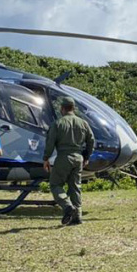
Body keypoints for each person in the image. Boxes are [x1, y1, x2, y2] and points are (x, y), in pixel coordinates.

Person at [43, 96, 95, 226]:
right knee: (75, 187)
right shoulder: (83, 123)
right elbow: (91, 140)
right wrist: (87, 156)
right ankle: (77, 216)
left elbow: (50, 143)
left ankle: (67, 207)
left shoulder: (58, 123)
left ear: (62, 108)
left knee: (55, 184)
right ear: (73, 108)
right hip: (78, 158)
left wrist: (46, 158)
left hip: (63, 156)